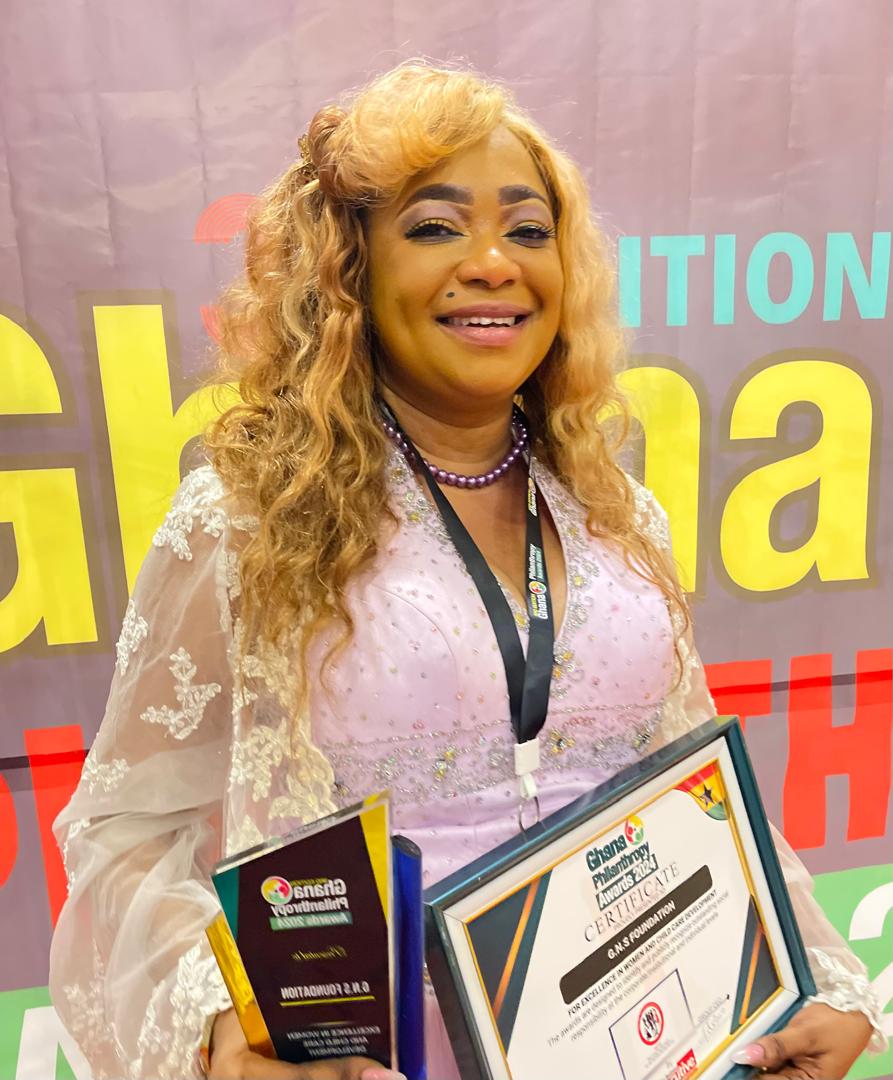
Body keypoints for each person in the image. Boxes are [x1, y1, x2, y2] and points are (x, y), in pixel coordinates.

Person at [49, 61, 884, 1080]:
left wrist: (815, 983)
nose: (492, 263)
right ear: (347, 270)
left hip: (645, 1043)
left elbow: (692, 786)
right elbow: (126, 831)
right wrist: (219, 1023)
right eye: (436, 227)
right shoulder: (246, 522)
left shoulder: (619, 517)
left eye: (527, 231)